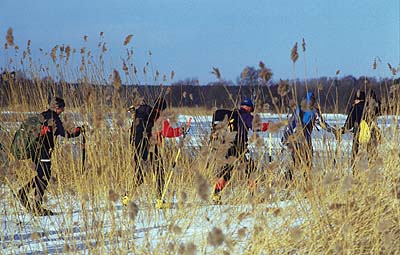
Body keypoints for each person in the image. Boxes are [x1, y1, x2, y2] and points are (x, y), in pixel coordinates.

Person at [17, 97, 82, 216]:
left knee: (42, 175)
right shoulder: (54, 119)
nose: (63, 110)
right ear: (58, 108)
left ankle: (29, 197)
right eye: (62, 107)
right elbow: (66, 134)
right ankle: (30, 199)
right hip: (43, 151)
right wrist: (78, 131)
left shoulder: (42, 115)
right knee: (44, 176)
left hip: (34, 151)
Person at [129, 97, 190, 209]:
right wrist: (182, 130)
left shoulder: (145, 115)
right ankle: (159, 200)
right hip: (153, 148)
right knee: (159, 173)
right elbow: (168, 133)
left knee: (140, 174)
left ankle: (127, 197)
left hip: (139, 146)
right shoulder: (159, 118)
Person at [212, 97, 270, 204]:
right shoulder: (245, 116)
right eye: (251, 109)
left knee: (226, 173)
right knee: (250, 170)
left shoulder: (232, 115)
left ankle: (216, 195)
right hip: (239, 148)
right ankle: (254, 196)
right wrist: (267, 125)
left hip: (226, 147)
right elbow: (256, 126)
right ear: (248, 108)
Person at [281, 91, 335, 183]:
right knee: (307, 162)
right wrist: (334, 130)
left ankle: (288, 180)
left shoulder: (297, 110)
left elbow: (290, 125)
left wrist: (285, 137)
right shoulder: (314, 112)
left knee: (294, 162)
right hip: (305, 141)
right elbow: (323, 124)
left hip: (293, 140)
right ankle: (306, 181)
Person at [339, 89, 381, 173]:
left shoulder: (354, 108)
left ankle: (355, 172)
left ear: (356, 99)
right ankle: (373, 173)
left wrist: (342, 130)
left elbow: (349, 124)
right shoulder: (370, 108)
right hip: (371, 134)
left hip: (358, 135)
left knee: (356, 154)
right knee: (372, 155)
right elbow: (379, 110)